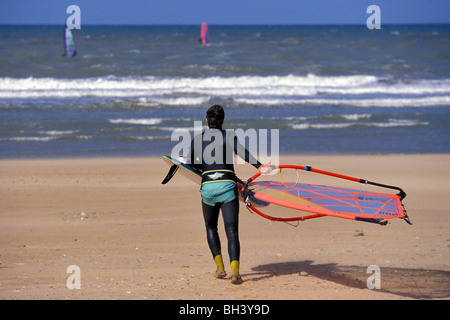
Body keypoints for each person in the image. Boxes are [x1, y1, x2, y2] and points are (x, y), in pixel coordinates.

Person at [188, 104, 271, 285]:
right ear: (223, 121)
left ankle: (220, 269)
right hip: (227, 187)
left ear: (207, 121)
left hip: (208, 189)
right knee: (232, 232)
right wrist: (259, 166)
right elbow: (242, 152)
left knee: (211, 228)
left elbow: (192, 166)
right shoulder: (228, 136)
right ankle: (235, 273)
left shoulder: (197, 139)